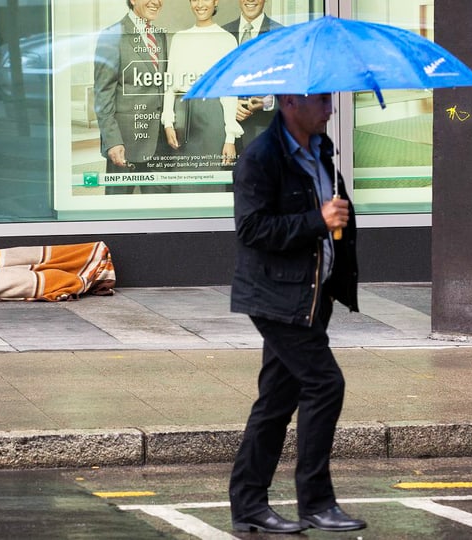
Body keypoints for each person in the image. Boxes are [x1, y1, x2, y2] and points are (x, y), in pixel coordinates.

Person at [227, 93, 366, 534]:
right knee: (325, 384)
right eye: (321, 101)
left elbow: (332, 215)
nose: (330, 109)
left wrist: (336, 223)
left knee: (276, 401)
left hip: (311, 293)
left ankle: (249, 503)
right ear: (290, 102)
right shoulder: (261, 157)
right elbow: (252, 229)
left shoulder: (321, 150)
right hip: (275, 298)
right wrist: (317, 220)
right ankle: (316, 502)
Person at [94, 0, 170, 194]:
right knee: (118, 213)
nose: (156, 2)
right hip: (124, 144)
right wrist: (112, 141)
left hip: (158, 144)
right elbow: (103, 95)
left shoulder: (160, 35)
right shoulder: (112, 36)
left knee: (160, 214)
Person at [161, 0, 241, 182]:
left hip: (212, 117)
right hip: (182, 117)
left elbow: (229, 92)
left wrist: (230, 138)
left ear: (215, 1)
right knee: (182, 183)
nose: (200, 5)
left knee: (211, 182)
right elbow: (170, 83)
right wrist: (168, 123)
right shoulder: (179, 38)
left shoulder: (227, 39)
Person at [222, 0, 282, 153]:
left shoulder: (281, 35)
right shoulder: (222, 33)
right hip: (223, 137)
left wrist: (265, 102)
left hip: (264, 136)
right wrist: (230, 105)